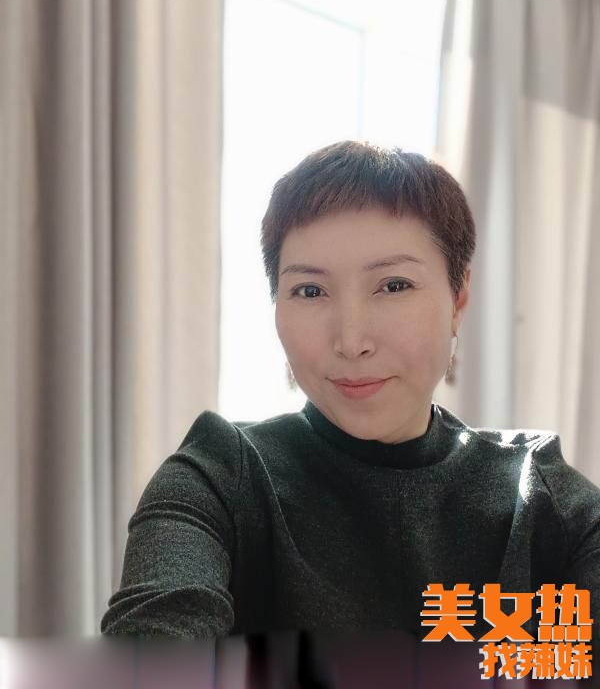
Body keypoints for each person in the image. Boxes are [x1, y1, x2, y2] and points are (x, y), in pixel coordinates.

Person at [101, 141, 600, 652]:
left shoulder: (545, 501)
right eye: (310, 291)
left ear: (458, 298)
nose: (351, 340)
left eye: (394, 285)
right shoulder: (219, 477)